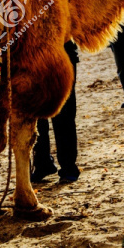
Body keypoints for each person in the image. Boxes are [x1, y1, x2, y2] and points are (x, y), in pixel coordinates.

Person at [31, 41, 80, 183]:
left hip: (62, 54)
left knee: (64, 112)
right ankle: (42, 162)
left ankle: (68, 166)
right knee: (36, 111)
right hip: (33, 57)